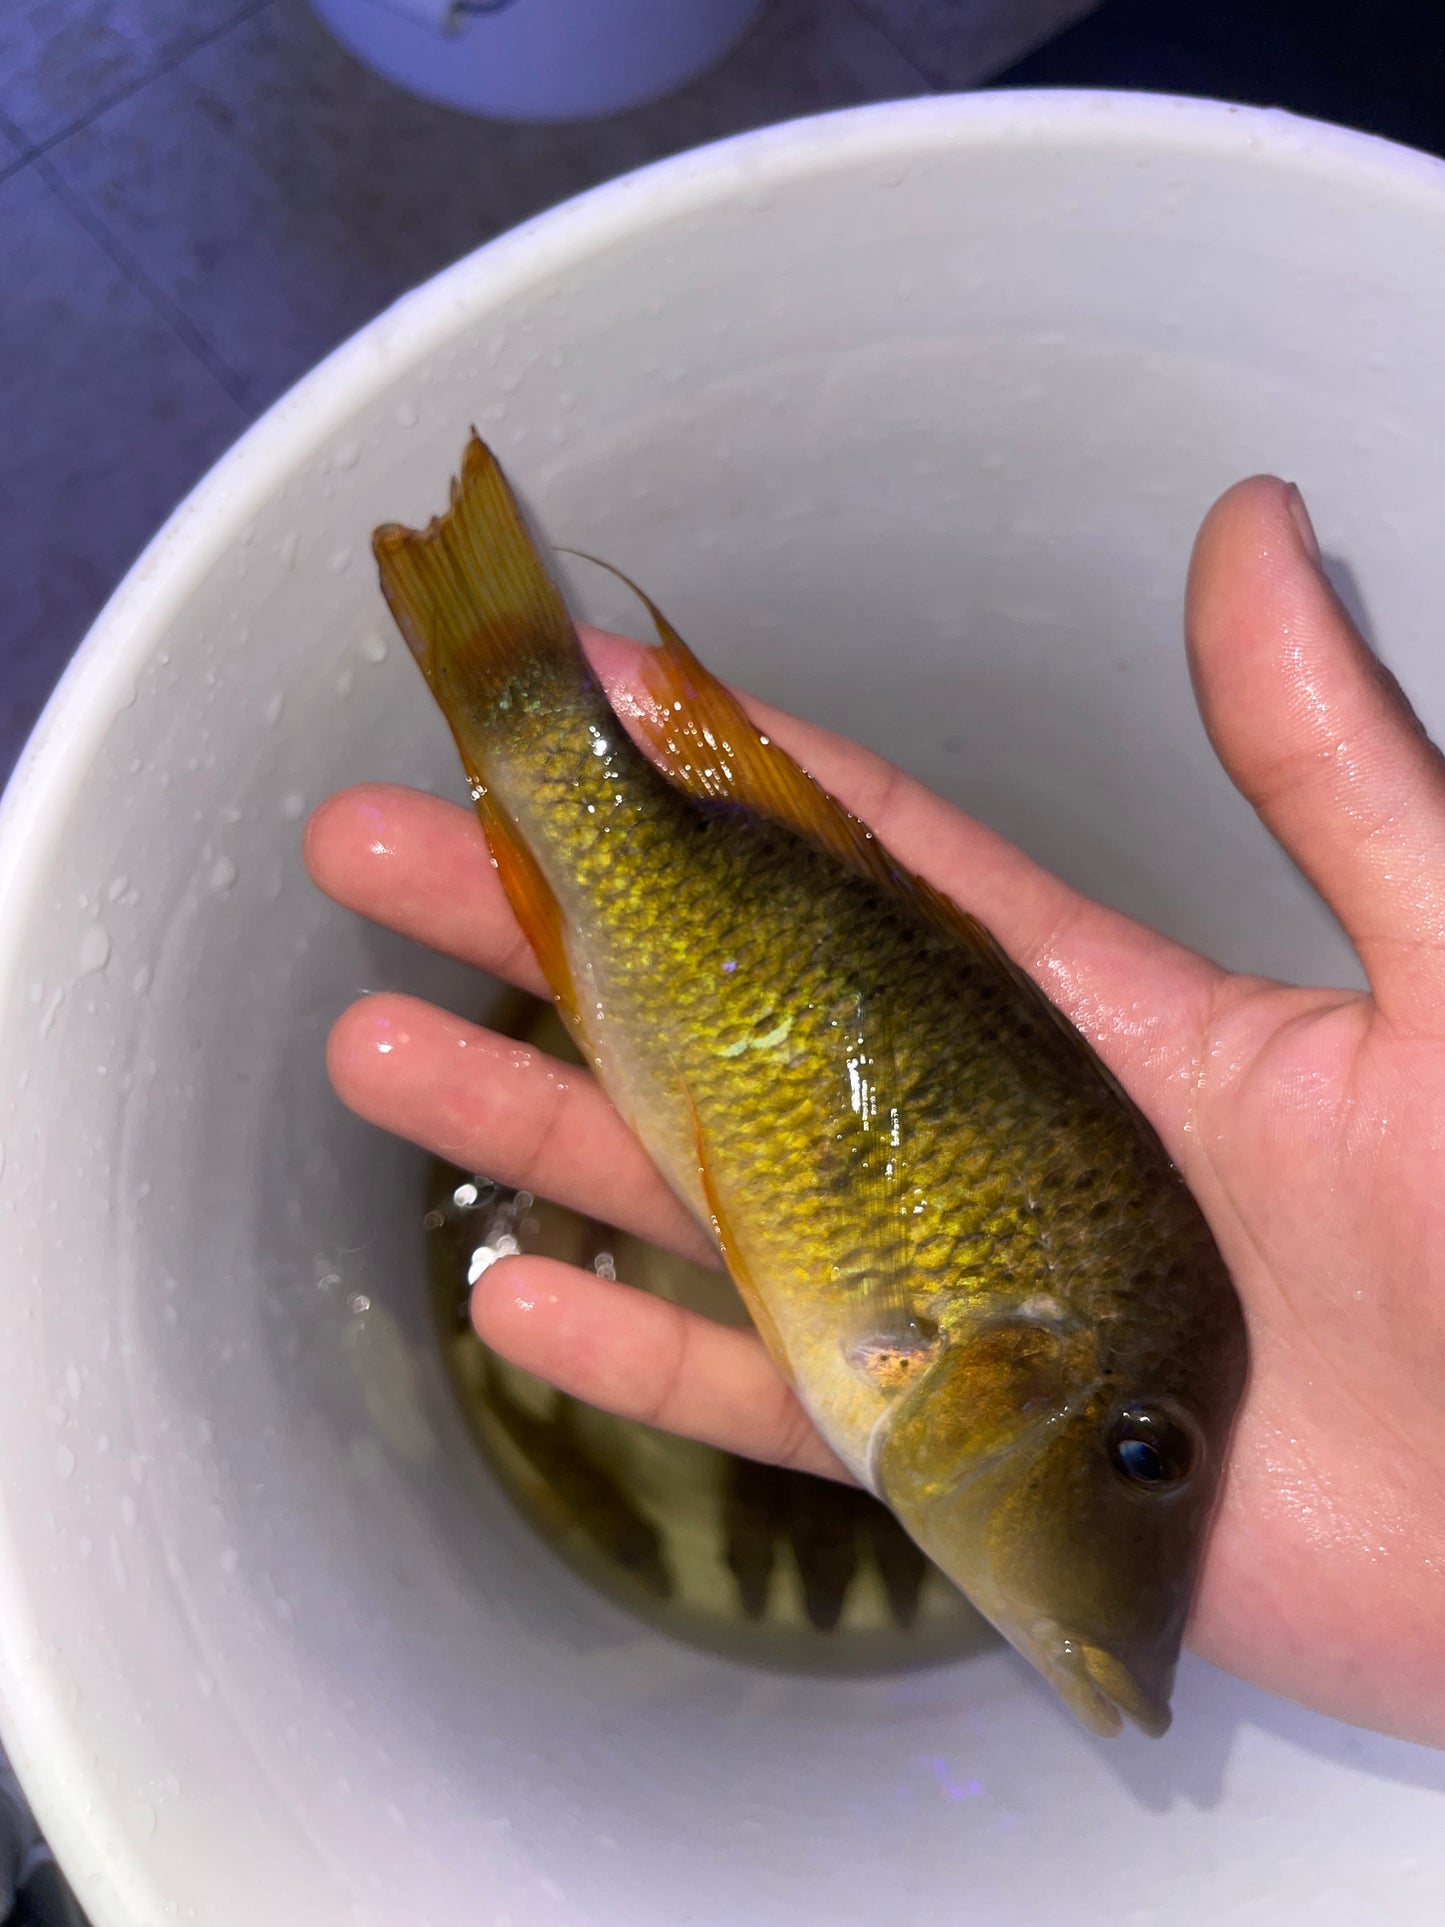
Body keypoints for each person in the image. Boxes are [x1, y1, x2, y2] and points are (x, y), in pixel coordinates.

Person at [305, 477, 1445, 1749]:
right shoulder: (907, 1357)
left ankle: (503, 663)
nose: (1147, 1515)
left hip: (727, 999)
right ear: (997, 1366)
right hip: (726, 964)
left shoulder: (938, 1383)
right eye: (1141, 1458)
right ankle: (513, 682)